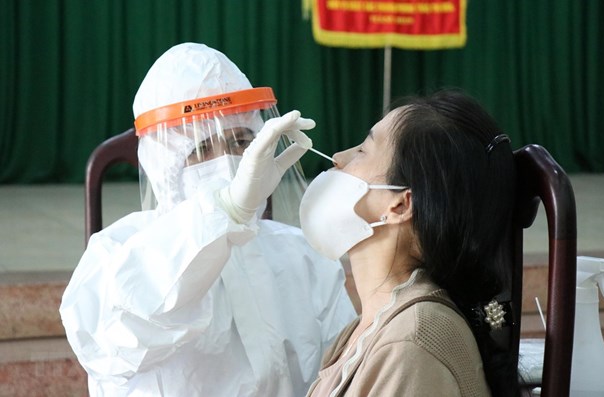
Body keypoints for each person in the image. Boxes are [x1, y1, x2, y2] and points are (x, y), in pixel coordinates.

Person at [60, 42, 356, 397]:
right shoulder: (118, 255)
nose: (227, 163)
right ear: (161, 163)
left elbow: (346, 371)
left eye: (240, 142)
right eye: (201, 149)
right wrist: (222, 213)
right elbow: (115, 344)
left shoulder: (304, 257)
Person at [299, 89, 518, 396]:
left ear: (400, 205)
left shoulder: (412, 344)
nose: (338, 158)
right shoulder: (372, 325)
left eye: (362, 150)